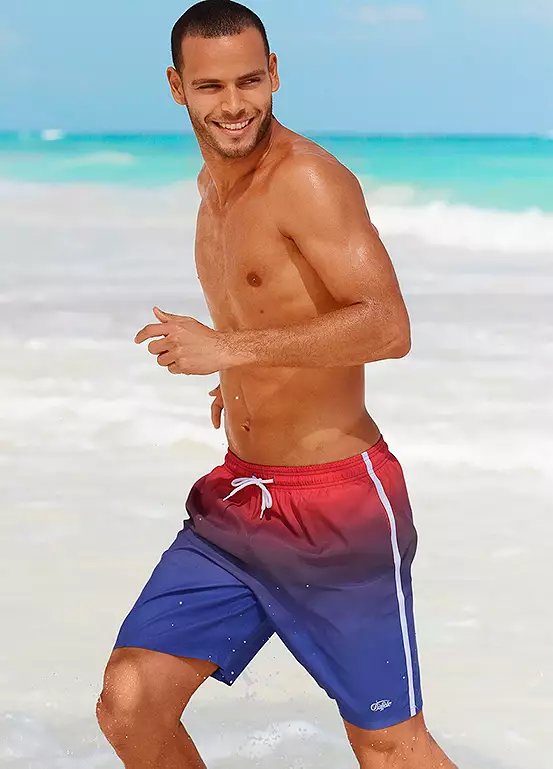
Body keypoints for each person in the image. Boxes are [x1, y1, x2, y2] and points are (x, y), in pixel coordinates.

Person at [96, 2, 457, 767]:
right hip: (241, 498)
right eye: (210, 86)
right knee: (131, 701)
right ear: (177, 88)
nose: (233, 105)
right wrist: (240, 373)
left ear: (275, 75)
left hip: (337, 507)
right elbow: (282, 308)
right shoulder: (212, 187)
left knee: (389, 746)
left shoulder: (307, 180)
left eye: (250, 81)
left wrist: (231, 347)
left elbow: (387, 325)